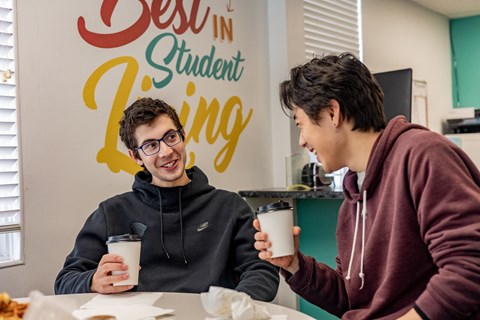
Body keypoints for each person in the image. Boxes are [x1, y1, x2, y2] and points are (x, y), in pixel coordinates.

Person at [254, 53, 480, 319]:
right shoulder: (353, 198)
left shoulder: (423, 155)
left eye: (301, 125)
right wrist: (294, 265)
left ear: (332, 112)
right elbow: (354, 300)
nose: (302, 141)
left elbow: (469, 267)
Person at [55, 97, 279, 301]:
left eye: (170, 137)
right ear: (135, 157)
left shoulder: (230, 207)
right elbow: (64, 281)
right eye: (151, 145)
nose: (166, 152)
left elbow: (261, 270)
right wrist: (94, 281)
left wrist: (236, 307)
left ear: (183, 135)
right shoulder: (112, 212)